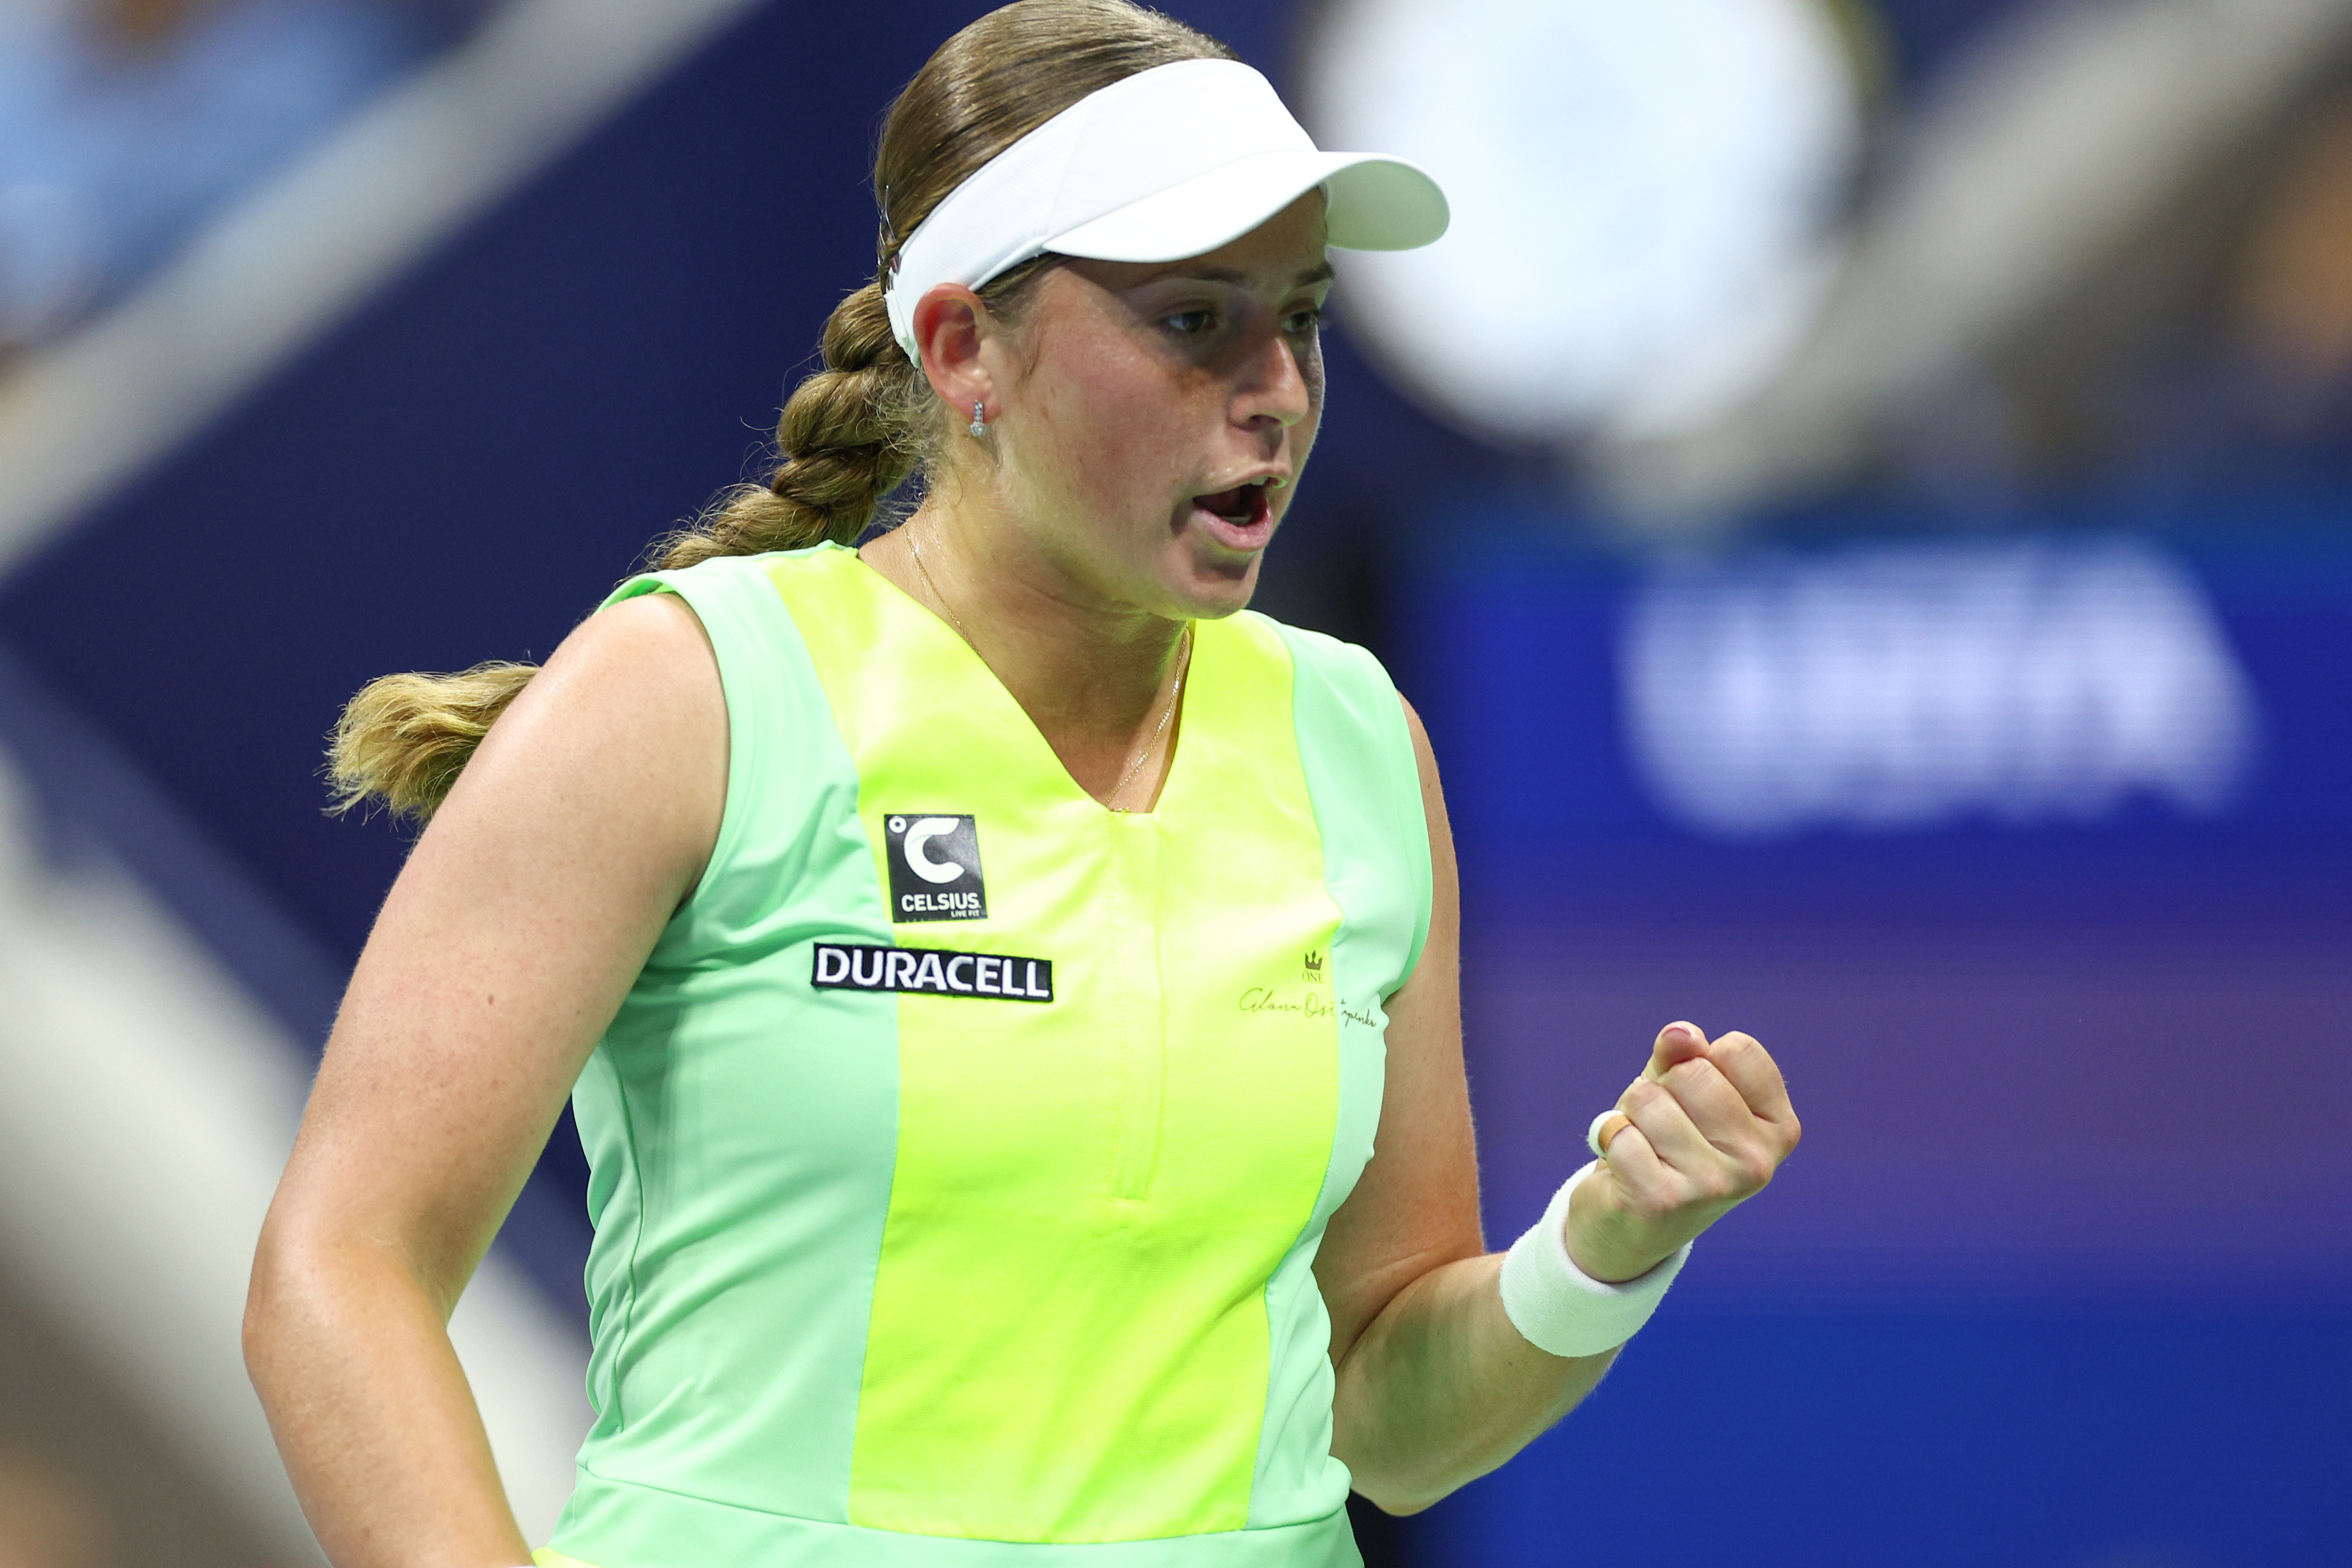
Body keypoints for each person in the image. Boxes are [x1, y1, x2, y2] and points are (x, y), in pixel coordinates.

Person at [242, 3, 1803, 1565]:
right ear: (962, 352)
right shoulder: (688, 695)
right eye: (1195, 322)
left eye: (1303, 316)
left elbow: (1382, 1418)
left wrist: (1599, 1250)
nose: (1275, 386)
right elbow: (344, 1263)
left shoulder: (1355, 738)